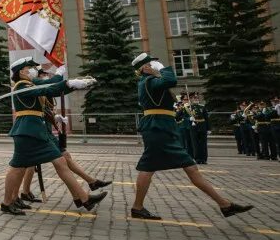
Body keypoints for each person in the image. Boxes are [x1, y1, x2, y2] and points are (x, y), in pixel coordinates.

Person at [129, 53, 252, 220]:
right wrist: (163, 69)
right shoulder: (148, 81)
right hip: (157, 128)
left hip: (162, 127)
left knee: (187, 167)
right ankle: (137, 208)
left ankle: (225, 205)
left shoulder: (150, 81)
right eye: (153, 63)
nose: (157, 65)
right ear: (145, 67)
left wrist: (158, 70)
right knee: (149, 167)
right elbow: (171, 81)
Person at [0, 58, 106, 216]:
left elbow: (49, 86)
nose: (34, 70)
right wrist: (69, 85)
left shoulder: (30, 83)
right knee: (17, 168)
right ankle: (7, 203)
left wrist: (68, 81)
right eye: (30, 67)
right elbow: (48, 90)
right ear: (21, 71)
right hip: (27, 132)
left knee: (60, 161)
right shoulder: (22, 86)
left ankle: (84, 198)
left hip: (36, 131)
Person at [18, 69, 110, 204]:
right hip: (38, 131)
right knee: (27, 165)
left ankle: (86, 188)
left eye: (46, 74)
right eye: (43, 74)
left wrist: (55, 117)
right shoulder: (33, 83)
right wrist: (63, 77)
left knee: (61, 159)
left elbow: (46, 107)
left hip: (45, 130)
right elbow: (53, 84)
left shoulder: (36, 85)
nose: (45, 77)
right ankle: (84, 193)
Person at [188, 93, 210, 165]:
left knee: (203, 143)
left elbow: (206, 118)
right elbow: (181, 116)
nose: (196, 99)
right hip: (193, 127)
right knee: (195, 143)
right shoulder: (188, 107)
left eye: (197, 98)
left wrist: (208, 128)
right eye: (194, 98)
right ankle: (197, 158)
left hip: (202, 126)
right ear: (191, 99)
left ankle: (203, 158)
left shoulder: (202, 107)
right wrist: (189, 118)